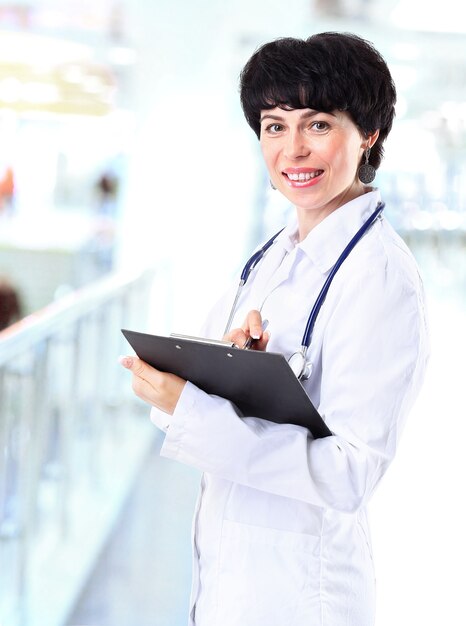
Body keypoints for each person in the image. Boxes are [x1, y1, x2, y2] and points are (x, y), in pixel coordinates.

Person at [120, 32, 429, 626]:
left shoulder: (381, 279)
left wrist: (193, 409)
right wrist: (223, 374)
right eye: (274, 126)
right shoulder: (272, 257)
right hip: (233, 581)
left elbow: (350, 474)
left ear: (368, 134)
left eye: (317, 125)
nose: (293, 151)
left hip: (302, 596)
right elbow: (212, 393)